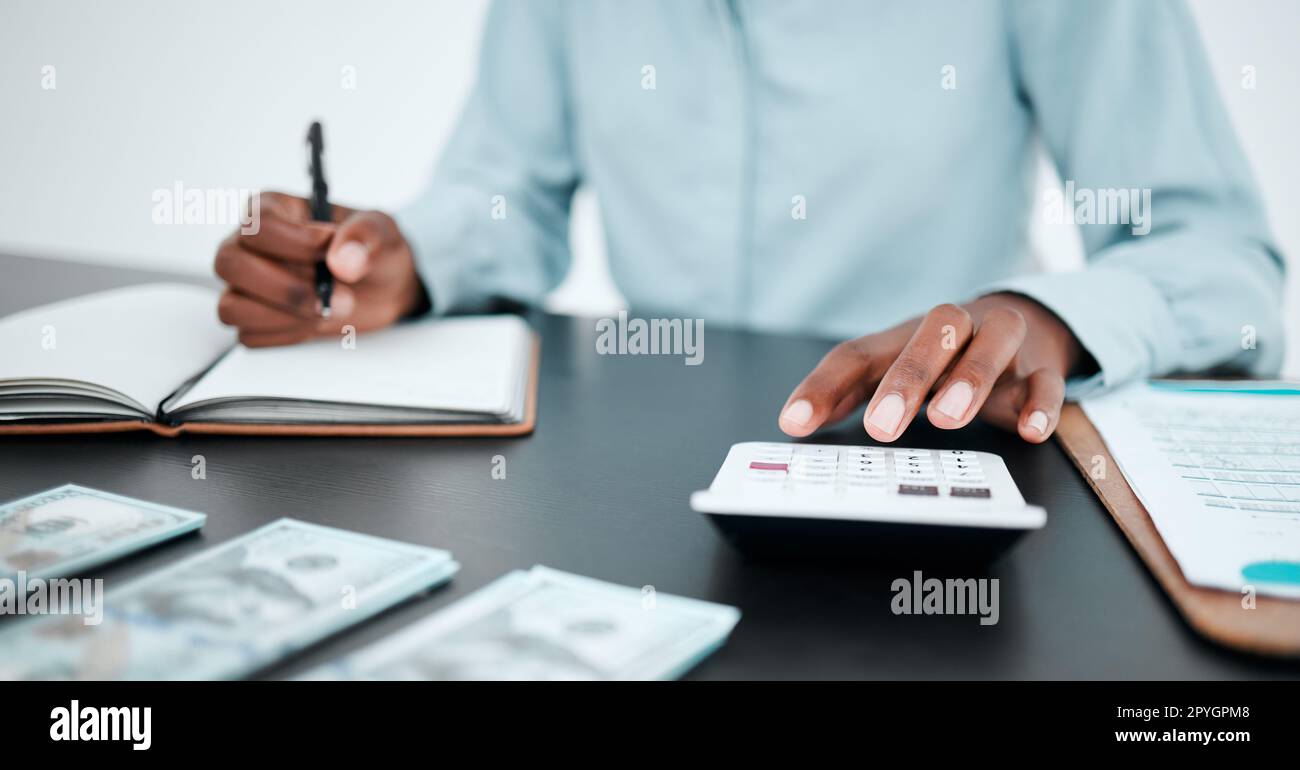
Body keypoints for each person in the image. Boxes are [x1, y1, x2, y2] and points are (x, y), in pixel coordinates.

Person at [213, 0, 1283, 444]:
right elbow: (510, 191)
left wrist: (1041, 320)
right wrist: (405, 262)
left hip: (958, 451)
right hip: (641, 463)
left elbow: (1219, 259)